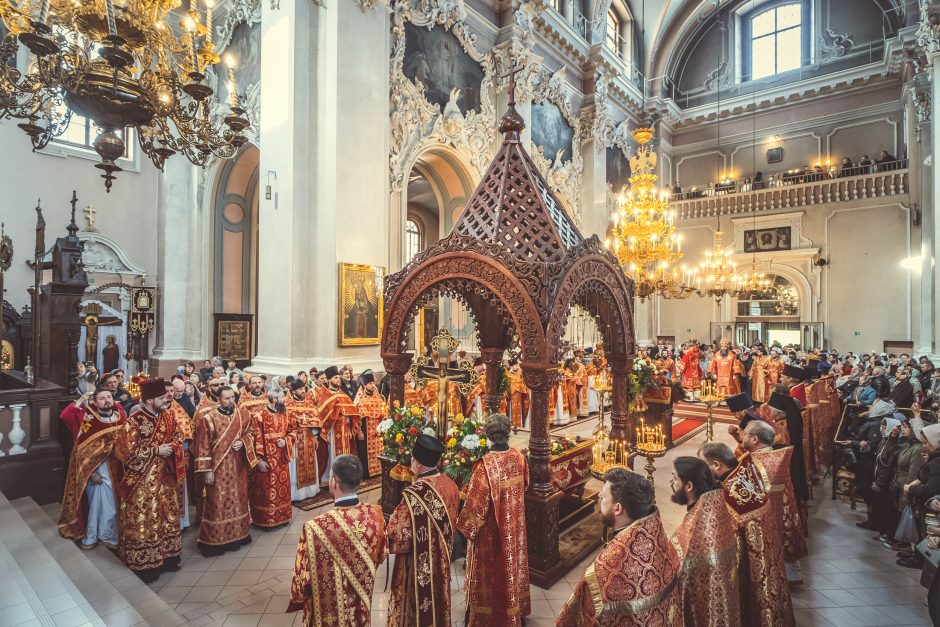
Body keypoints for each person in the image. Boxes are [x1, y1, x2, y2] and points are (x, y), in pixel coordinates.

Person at [557, 468, 682, 626]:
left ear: (617, 508)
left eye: (604, 496)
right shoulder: (657, 538)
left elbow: (580, 617)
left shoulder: (608, 567)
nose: (599, 496)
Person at [699, 441, 793, 627]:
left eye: (703, 465)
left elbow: (729, 540)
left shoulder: (730, 492)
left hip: (750, 562)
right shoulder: (745, 472)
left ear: (716, 465)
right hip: (768, 553)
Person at [288, 455, 386, 626]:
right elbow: (382, 555)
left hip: (325, 614)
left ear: (333, 482)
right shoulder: (376, 515)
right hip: (360, 609)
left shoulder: (313, 528)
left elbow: (300, 582)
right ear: (360, 481)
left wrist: (298, 598)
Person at [456, 414, 530, 626]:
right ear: (507, 432)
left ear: (488, 435)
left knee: (491, 574)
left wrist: (464, 528)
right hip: (514, 527)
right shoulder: (518, 457)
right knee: (512, 567)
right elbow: (525, 485)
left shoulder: (485, 466)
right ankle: (515, 611)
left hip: (490, 533)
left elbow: (476, 507)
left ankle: (488, 618)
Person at [115, 379, 186, 582]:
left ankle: (168, 558)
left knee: (168, 518)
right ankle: (145, 565)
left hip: (165, 480)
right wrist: (156, 450)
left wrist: (172, 445)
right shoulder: (134, 422)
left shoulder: (169, 415)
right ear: (148, 400)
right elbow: (122, 452)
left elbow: (179, 436)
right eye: (162, 398)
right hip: (141, 483)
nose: (166, 400)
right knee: (144, 521)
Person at [387, 435, 460, 627]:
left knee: (416, 608)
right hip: (443, 559)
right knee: (439, 597)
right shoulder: (451, 485)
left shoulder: (414, 494)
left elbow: (398, 535)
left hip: (416, 567)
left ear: (417, 464)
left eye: (412, 458)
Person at [670, 456, 741, 627]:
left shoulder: (696, 527)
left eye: (674, 478)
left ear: (689, 486)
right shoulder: (715, 504)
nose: (671, 483)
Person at [58, 387, 124, 550]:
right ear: (94, 401)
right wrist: (92, 472)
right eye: (102, 398)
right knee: (99, 505)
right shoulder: (89, 419)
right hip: (98, 470)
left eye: (109, 397)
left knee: (115, 505)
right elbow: (81, 448)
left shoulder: (120, 416)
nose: (107, 400)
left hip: (118, 469)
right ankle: (95, 535)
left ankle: (108, 533)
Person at [741, 419, 808, 580]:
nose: (742, 436)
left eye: (745, 433)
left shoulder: (755, 464)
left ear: (755, 439)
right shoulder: (774, 455)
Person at [193, 386, 254, 556]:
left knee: (238, 500)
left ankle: (239, 535)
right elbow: (202, 447)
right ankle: (214, 541)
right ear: (219, 399)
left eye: (232, 398)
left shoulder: (243, 415)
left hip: (237, 467)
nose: (230, 401)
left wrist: (243, 441)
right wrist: (207, 471)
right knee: (216, 503)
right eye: (226, 398)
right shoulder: (209, 419)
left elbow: (251, 433)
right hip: (217, 469)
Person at [248, 387, 296, 529]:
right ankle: (265, 519)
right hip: (267, 459)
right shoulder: (259, 416)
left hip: (281, 458)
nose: (284, 400)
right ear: (274, 399)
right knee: (266, 488)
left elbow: (293, 430)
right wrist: (259, 460)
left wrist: (286, 440)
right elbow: (256, 439)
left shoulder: (286, 414)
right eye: (282, 397)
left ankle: (283, 516)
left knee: (282, 487)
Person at [315, 366, 361, 487]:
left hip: (344, 431)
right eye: (335, 378)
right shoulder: (324, 395)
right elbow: (321, 416)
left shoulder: (343, 395)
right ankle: (329, 479)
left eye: (338, 377)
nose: (338, 379)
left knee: (344, 455)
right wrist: (325, 433)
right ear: (329, 380)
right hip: (331, 432)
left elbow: (352, 414)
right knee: (330, 456)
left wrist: (351, 428)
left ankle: (343, 478)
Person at [285, 378, 322, 501]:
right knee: (296, 465)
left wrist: (316, 436)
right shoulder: (287, 404)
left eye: (304, 389)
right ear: (293, 390)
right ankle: (296, 494)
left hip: (309, 437)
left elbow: (315, 421)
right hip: (295, 438)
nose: (303, 391)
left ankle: (310, 491)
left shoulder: (308, 403)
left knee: (310, 462)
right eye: (300, 389)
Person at [353, 369, 387, 478]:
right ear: (364, 385)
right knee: (364, 452)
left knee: (379, 451)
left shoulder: (378, 398)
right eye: (370, 384)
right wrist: (359, 432)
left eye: (373, 383)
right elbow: (357, 417)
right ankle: (366, 474)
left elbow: (384, 413)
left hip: (377, 431)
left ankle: (379, 470)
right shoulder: (360, 400)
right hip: (366, 431)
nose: (373, 385)